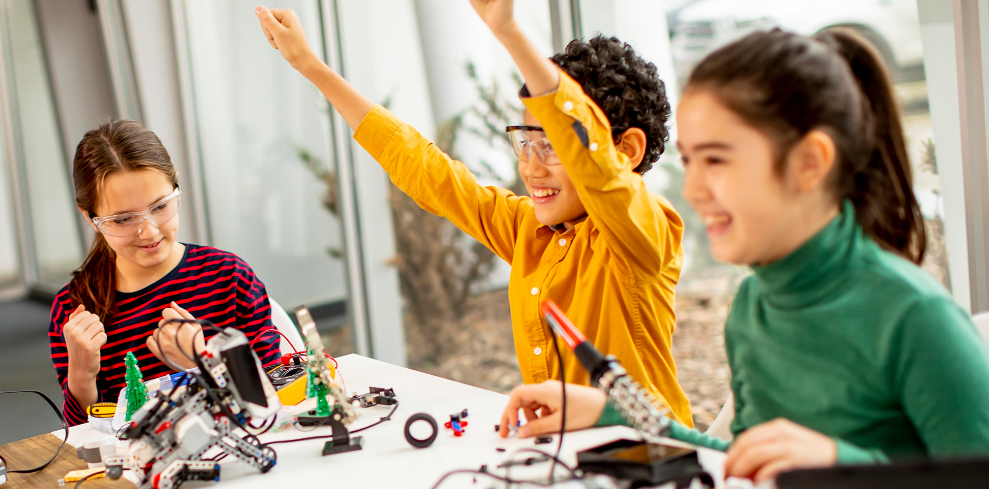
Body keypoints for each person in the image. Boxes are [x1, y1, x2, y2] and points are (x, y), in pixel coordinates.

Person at [498, 28, 989, 481]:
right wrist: (608, 411)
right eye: (690, 162)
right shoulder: (754, 306)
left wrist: (840, 465)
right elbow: (736, 459)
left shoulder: (915, 316)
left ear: (809, 163)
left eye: (716, 160)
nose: (692, 189)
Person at [255, 2, 693, 425]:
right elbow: (428, 170)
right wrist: (311, 65)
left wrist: (509, 32)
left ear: (626, 151)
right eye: (526, 141)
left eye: (553, 147)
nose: (531, 167)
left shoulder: (647, 230)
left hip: (651, 454)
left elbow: (601, 174)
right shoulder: (528, 229)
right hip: (564, 454)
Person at [50, 119, 278, 425]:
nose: (149, 231)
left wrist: (200, 363)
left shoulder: (229, 278)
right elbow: (86, 441)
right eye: (123, 219)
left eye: (160, 206)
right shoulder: (73, 308)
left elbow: (275, 400)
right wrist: (80, 377)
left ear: (176, 186)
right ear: (92, 219)